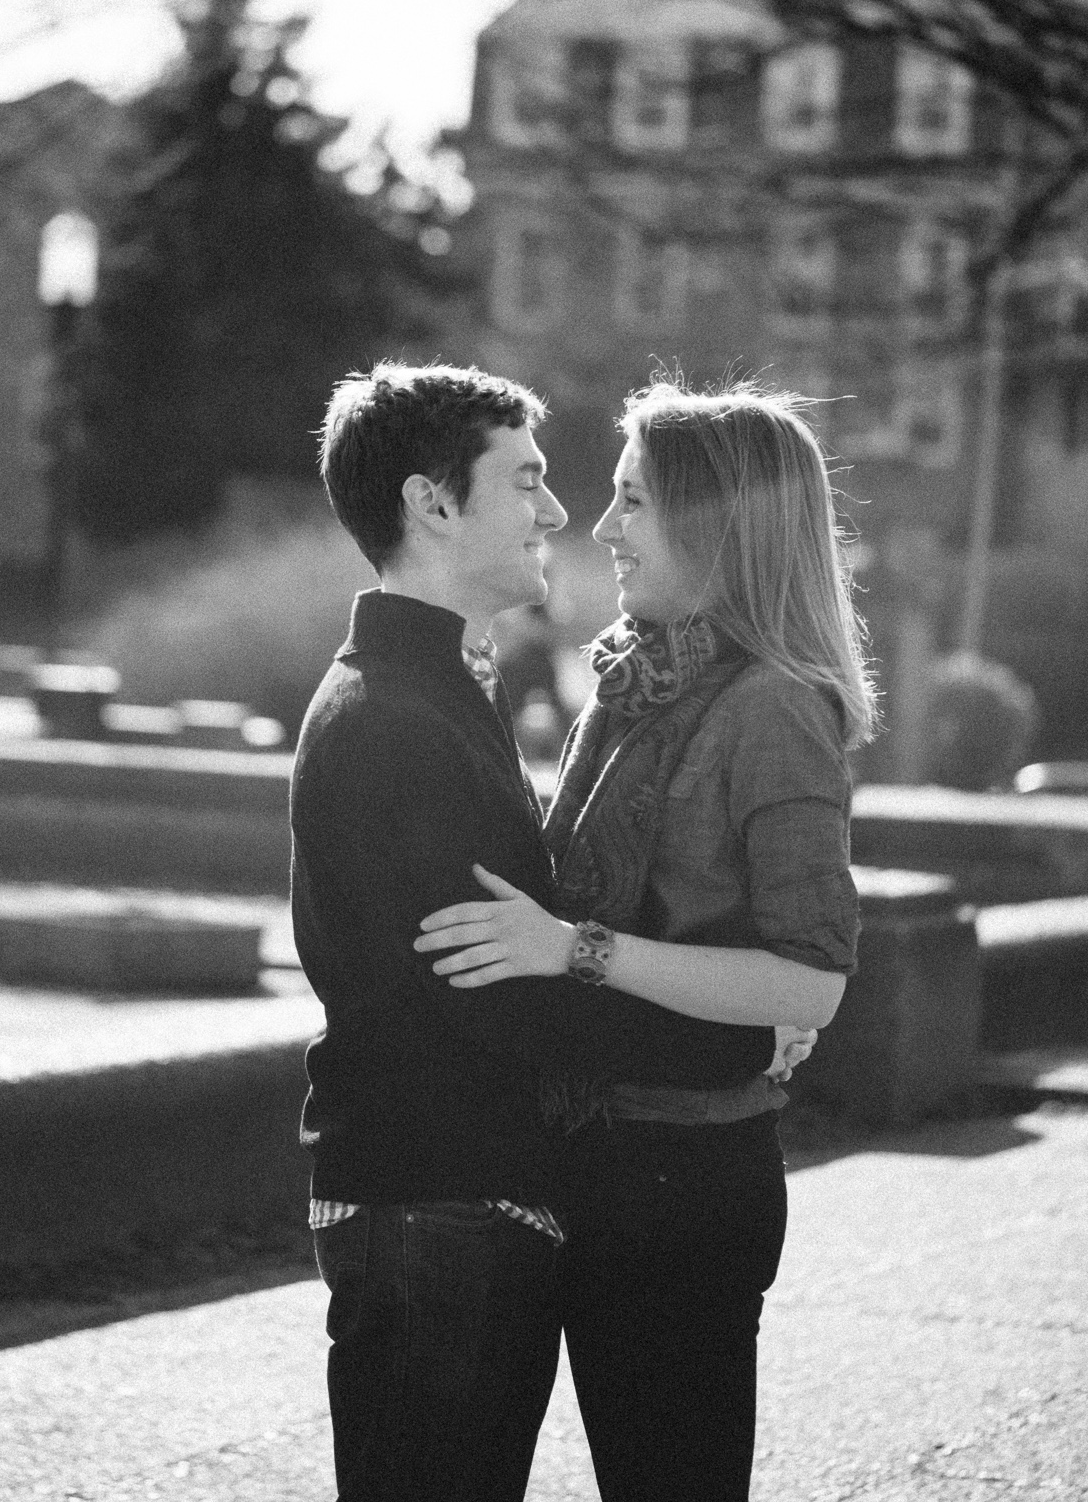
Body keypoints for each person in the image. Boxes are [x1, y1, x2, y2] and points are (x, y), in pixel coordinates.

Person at [290, 363, 792, 1502]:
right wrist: (741, 1039)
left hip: (444, 1208)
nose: (558, 513)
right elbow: (507, 998)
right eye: (524, 479)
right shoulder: (393, 722)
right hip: (434, 1214)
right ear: (431, 503)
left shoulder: (425, 691)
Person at [416, 376, 876, 1502]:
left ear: (719, 524)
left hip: (682, 1183)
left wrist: (575, 950)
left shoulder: (770, 706)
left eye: (635, 502)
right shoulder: (630, 682)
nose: (603, 527)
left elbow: (810, 980)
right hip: (594, 1155)